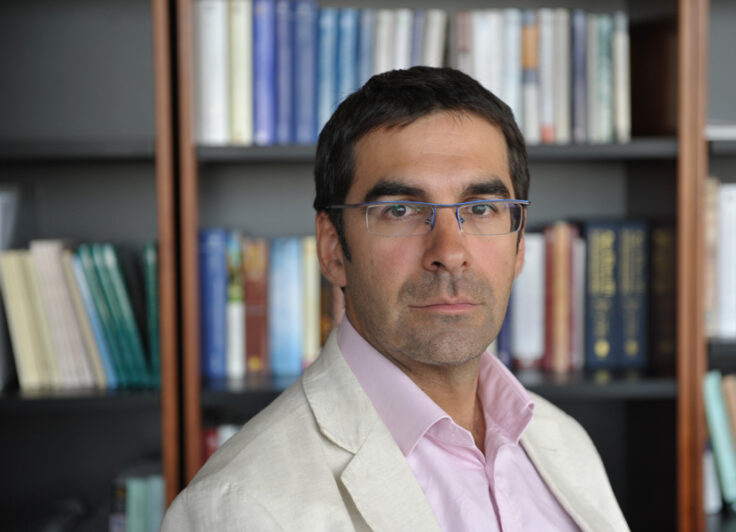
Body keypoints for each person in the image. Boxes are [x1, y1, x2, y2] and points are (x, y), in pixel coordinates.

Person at [162, 67, 629, 532]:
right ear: (333, 249)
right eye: (400, 210)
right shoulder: (238, 508)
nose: (450, 253)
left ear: (520, 244)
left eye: (481, 208)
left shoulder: (565, 443)